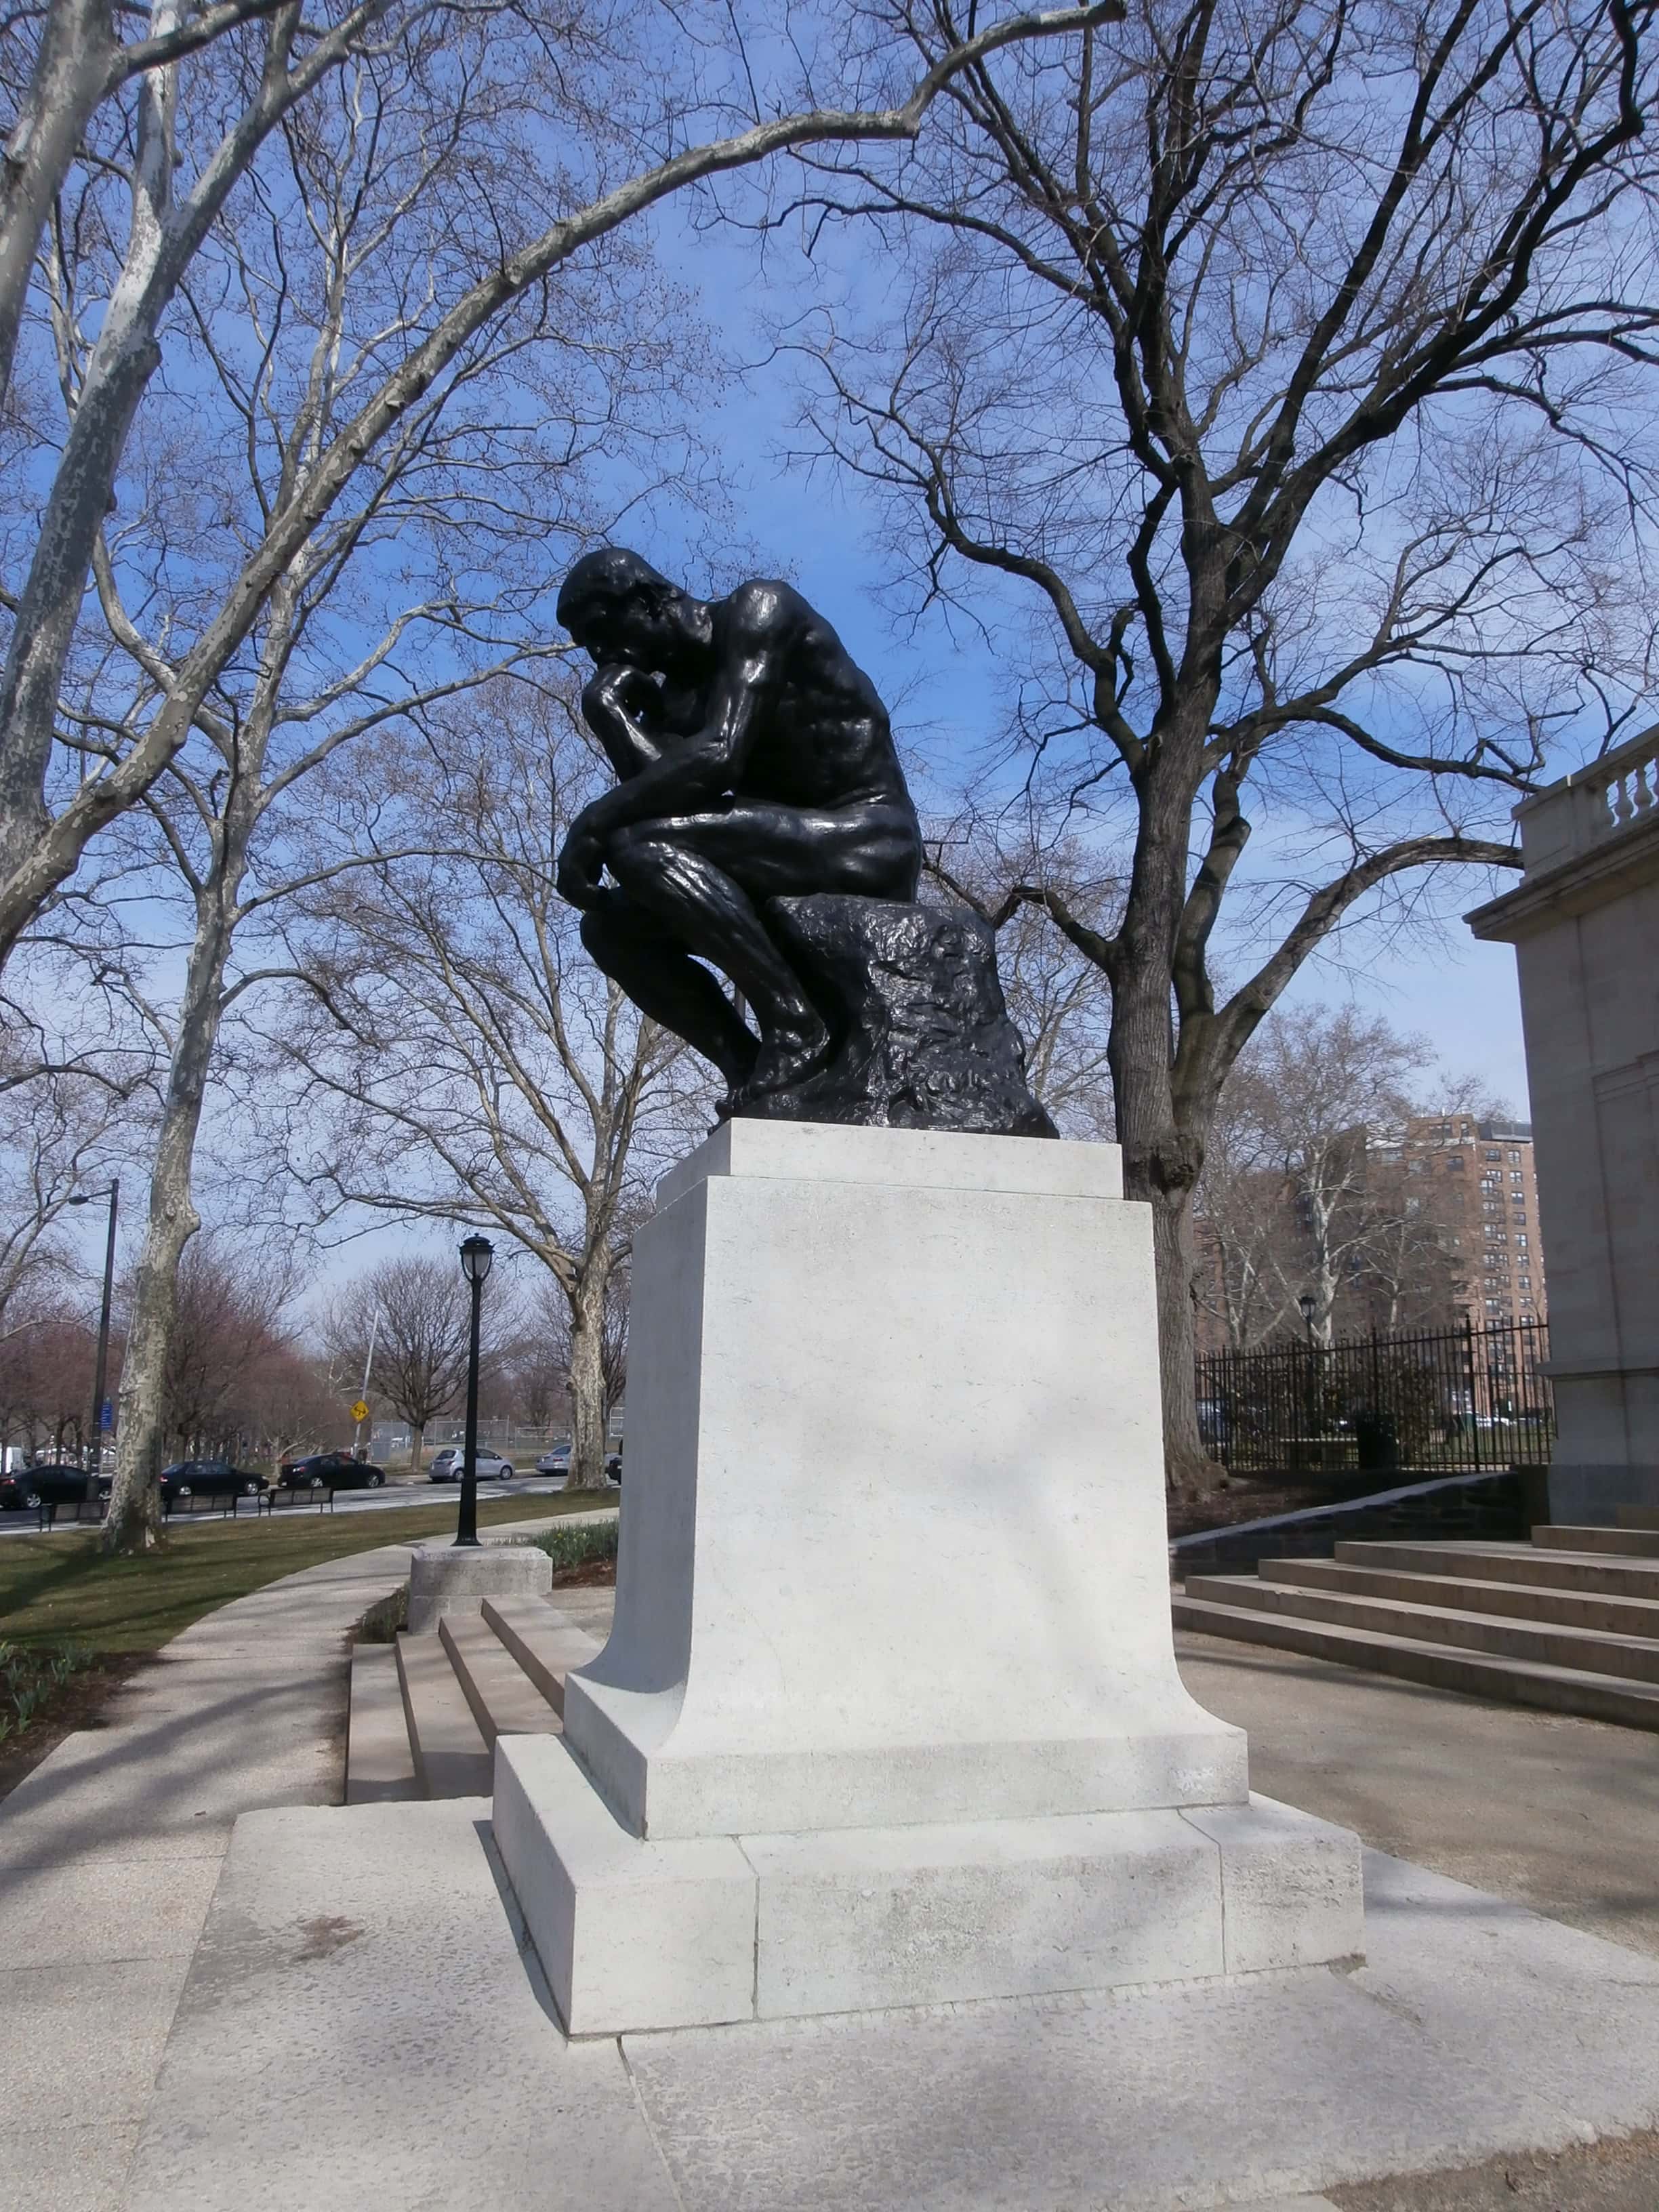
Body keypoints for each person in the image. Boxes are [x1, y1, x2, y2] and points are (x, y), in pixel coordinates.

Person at [554, 548, 922, 1106]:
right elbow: (672, 795)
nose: (604, 655)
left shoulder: (758, 610)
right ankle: (748, 1069)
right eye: (591, 648)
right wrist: (610, 717)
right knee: (610, 930)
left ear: (648, 602)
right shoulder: (676, 698)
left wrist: (591, 825)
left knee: (636, 844)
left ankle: (795, 1026)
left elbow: (718, 757)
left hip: (866, 835)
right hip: (780, 849)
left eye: (603, 634)